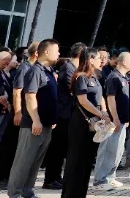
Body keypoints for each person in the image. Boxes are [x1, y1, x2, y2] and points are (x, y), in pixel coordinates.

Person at [8, 39, 60, 198]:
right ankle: (15, 193)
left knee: (35, 162)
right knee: (24, 161)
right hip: (33, 124)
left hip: (46, 124)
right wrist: (36, 120)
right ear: (46, 52)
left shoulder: (48, 71)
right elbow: (30, 96)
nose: (59, 53)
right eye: (56, 50)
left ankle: (27, 191)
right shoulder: (35, 71)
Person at [62, 47, 111, 198]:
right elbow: (83, 100)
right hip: (81, 123)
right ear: (90, 59)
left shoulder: (94, 77)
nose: (101, 60)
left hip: (94, 124)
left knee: (87, 161)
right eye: (98, 57)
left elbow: (100, 97)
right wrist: (100, 114)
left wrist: (104, 111)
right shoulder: (81, 77)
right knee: (76, 160)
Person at [42, 42, 84, 190]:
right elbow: (72, 89)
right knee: (57, 148)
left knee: (62, 148)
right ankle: (50, 179)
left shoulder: (75, 69)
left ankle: (56, 176)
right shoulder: (68, 68)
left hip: (68, 114)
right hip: (62, 114)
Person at [0, 43, 38, 190]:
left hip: (28, 115)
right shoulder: (24, 68)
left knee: (17, 148)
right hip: (19, 114)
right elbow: (17, 92)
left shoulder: (34, 68)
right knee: (9, 145)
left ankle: (11, 177)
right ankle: (1, 178)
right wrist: (18, 112)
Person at [93, 51, 130, 189]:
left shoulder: (125, 77)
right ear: (123, 62)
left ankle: (110, 177)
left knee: (117, 151)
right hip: (112, 121)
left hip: (122, 120)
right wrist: (115, 118)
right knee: (107, 150)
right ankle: (99, 180)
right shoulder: (113, 77)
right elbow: (110, 99)